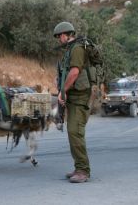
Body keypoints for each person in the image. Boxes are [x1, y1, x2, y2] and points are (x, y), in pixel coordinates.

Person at [54, 21, 91, 183]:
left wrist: (63, 92)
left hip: (81, 97)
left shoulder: (76, 49)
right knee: (72, 132)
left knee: (75, 132)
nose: (58, 40)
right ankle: (79, 167)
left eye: (58, 37)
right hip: (74, 96)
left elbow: (75, 72)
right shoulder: (71, 49)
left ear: (64, 35)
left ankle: (83, 170)